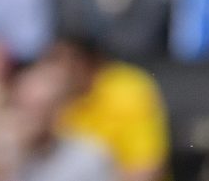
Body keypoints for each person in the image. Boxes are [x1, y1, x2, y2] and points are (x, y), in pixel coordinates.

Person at [45, 35, 170, 181]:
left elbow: (147, 169)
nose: (61, 70)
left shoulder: (127, 90)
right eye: (54, 61)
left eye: (70, 61)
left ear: (90, 61)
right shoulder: (48, 96)